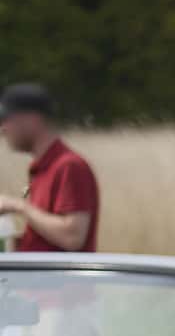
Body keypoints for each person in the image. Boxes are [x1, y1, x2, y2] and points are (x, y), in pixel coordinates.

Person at [0, 83, 100, 253]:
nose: (3, 128)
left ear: (32, 119)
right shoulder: (42, 168)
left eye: (6, 119)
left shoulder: (69, 166)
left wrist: (17, 206)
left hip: (62, 272)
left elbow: (73, 237)